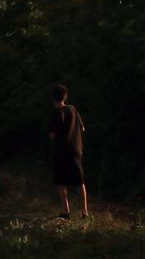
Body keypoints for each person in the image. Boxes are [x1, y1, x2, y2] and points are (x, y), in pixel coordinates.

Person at [48, 84, 89, 218]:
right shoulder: (73, 109)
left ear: (53, 98)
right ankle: (85, 212)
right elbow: (82, 128)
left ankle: (66, 211)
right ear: (65, 97)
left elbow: (52, 135)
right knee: (79, 181)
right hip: (76, 150)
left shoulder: (55, 113)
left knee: (60, 181)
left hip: (61, 151)